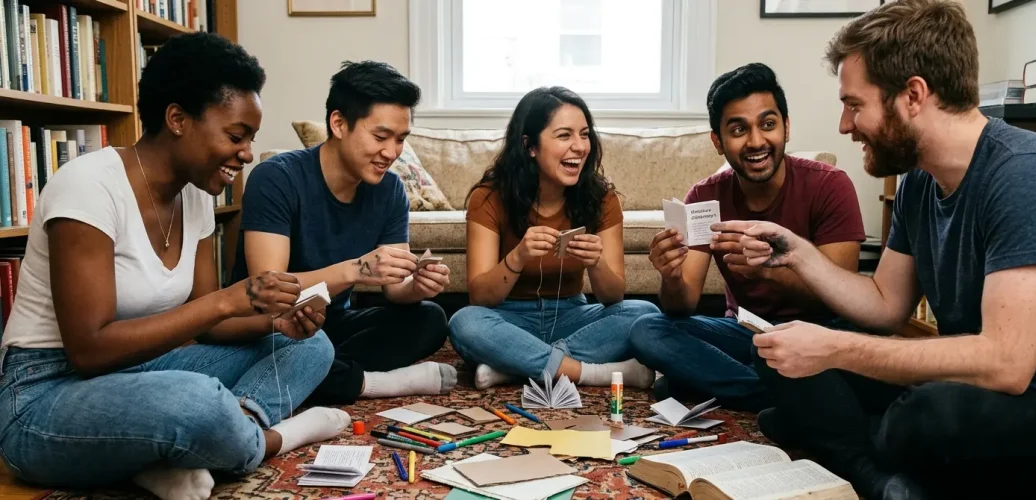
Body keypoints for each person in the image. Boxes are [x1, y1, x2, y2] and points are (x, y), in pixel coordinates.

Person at [714, 1, 1036, 498]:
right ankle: (880, 471)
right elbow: (885, 305)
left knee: (922, 415)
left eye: (854, 104)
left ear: (913, 95)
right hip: (966, 378)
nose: (845, 125)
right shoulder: (919, 181)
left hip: (1027, 398)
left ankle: (849, 448)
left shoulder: (1023, 173)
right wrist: (799, 253)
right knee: (781, 348)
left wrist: (837, 350)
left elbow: (1006, 363)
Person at [0, 32, 349, 500]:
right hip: (44, 393)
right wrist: (230, 299)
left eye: (250, 139)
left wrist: (276, 321)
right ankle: (267, 439)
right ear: (178, 119)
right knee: (196, 401)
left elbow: (207, 327)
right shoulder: (88, 187)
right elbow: (88, 351)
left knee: (310, 347)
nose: (246, 153)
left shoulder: (195, 195)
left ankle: (202, 438)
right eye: (235, 135)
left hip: (141, 372)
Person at [628, 63, 866, 412]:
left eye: (768, 125)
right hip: (748, 334)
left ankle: (727, 384)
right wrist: (671, 275)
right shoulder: (704, 198)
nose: (756, 141)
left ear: (786, 127)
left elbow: (842, 299)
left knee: (680, 380)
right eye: (738, 129)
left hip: (821, 332)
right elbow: (682, 305)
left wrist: (767, 269)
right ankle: (774, 395)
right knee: (646, 330)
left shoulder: (830, 185)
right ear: (718, 141)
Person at [233, 60, 454, 405]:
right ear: (338, 123)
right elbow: (269, 289)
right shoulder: (276, 178)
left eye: (400, 139)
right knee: (297, 347)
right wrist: (355, 268)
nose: (392, 152)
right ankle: (370, 383)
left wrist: (416, 286)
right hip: (273, 326)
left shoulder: (390, 190)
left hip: (331, 323)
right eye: (380, 136)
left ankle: (322, 377)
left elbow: (395, 291)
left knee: (430, 318)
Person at [448, 86, 660, 390]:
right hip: (509, 320)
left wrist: (596, 263)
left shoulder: (601, 198)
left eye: (584, 134)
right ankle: (588, 373)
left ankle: (517, 367)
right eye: (564, 136)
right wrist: (518, 257)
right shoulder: (489, 197)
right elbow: (480, 298)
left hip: (572, 315)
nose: (580, 147)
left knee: (644, 314)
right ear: (529, 145)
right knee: (465, 323)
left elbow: (613, 297)